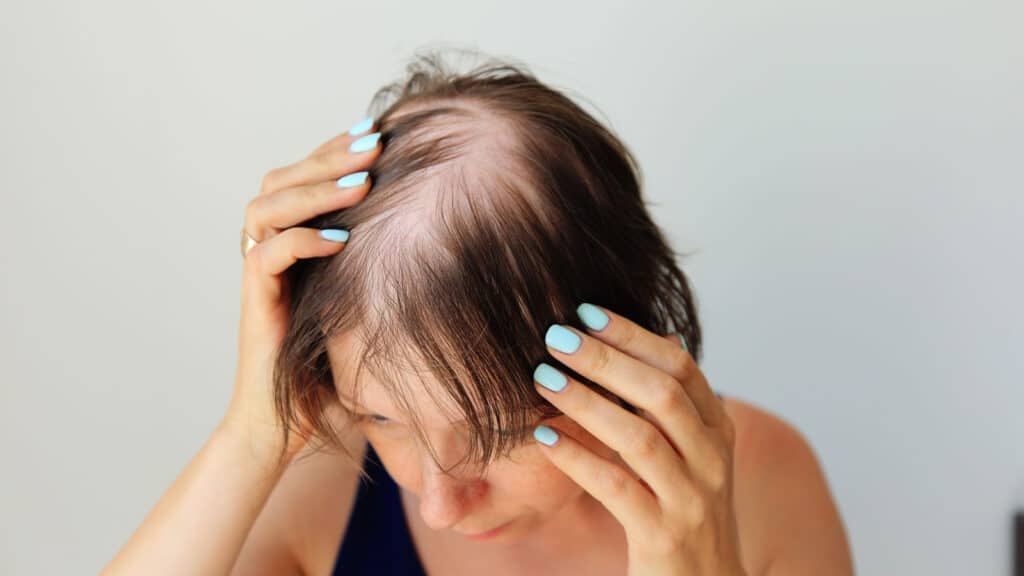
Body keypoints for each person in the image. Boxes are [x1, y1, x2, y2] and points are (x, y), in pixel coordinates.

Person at [103, 51, 854, 575]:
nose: (436, 504)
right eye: (384, 419)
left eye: (499, 432)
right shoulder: (325, 486)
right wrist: (249, 434)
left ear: (623, 345)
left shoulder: (756, 483)